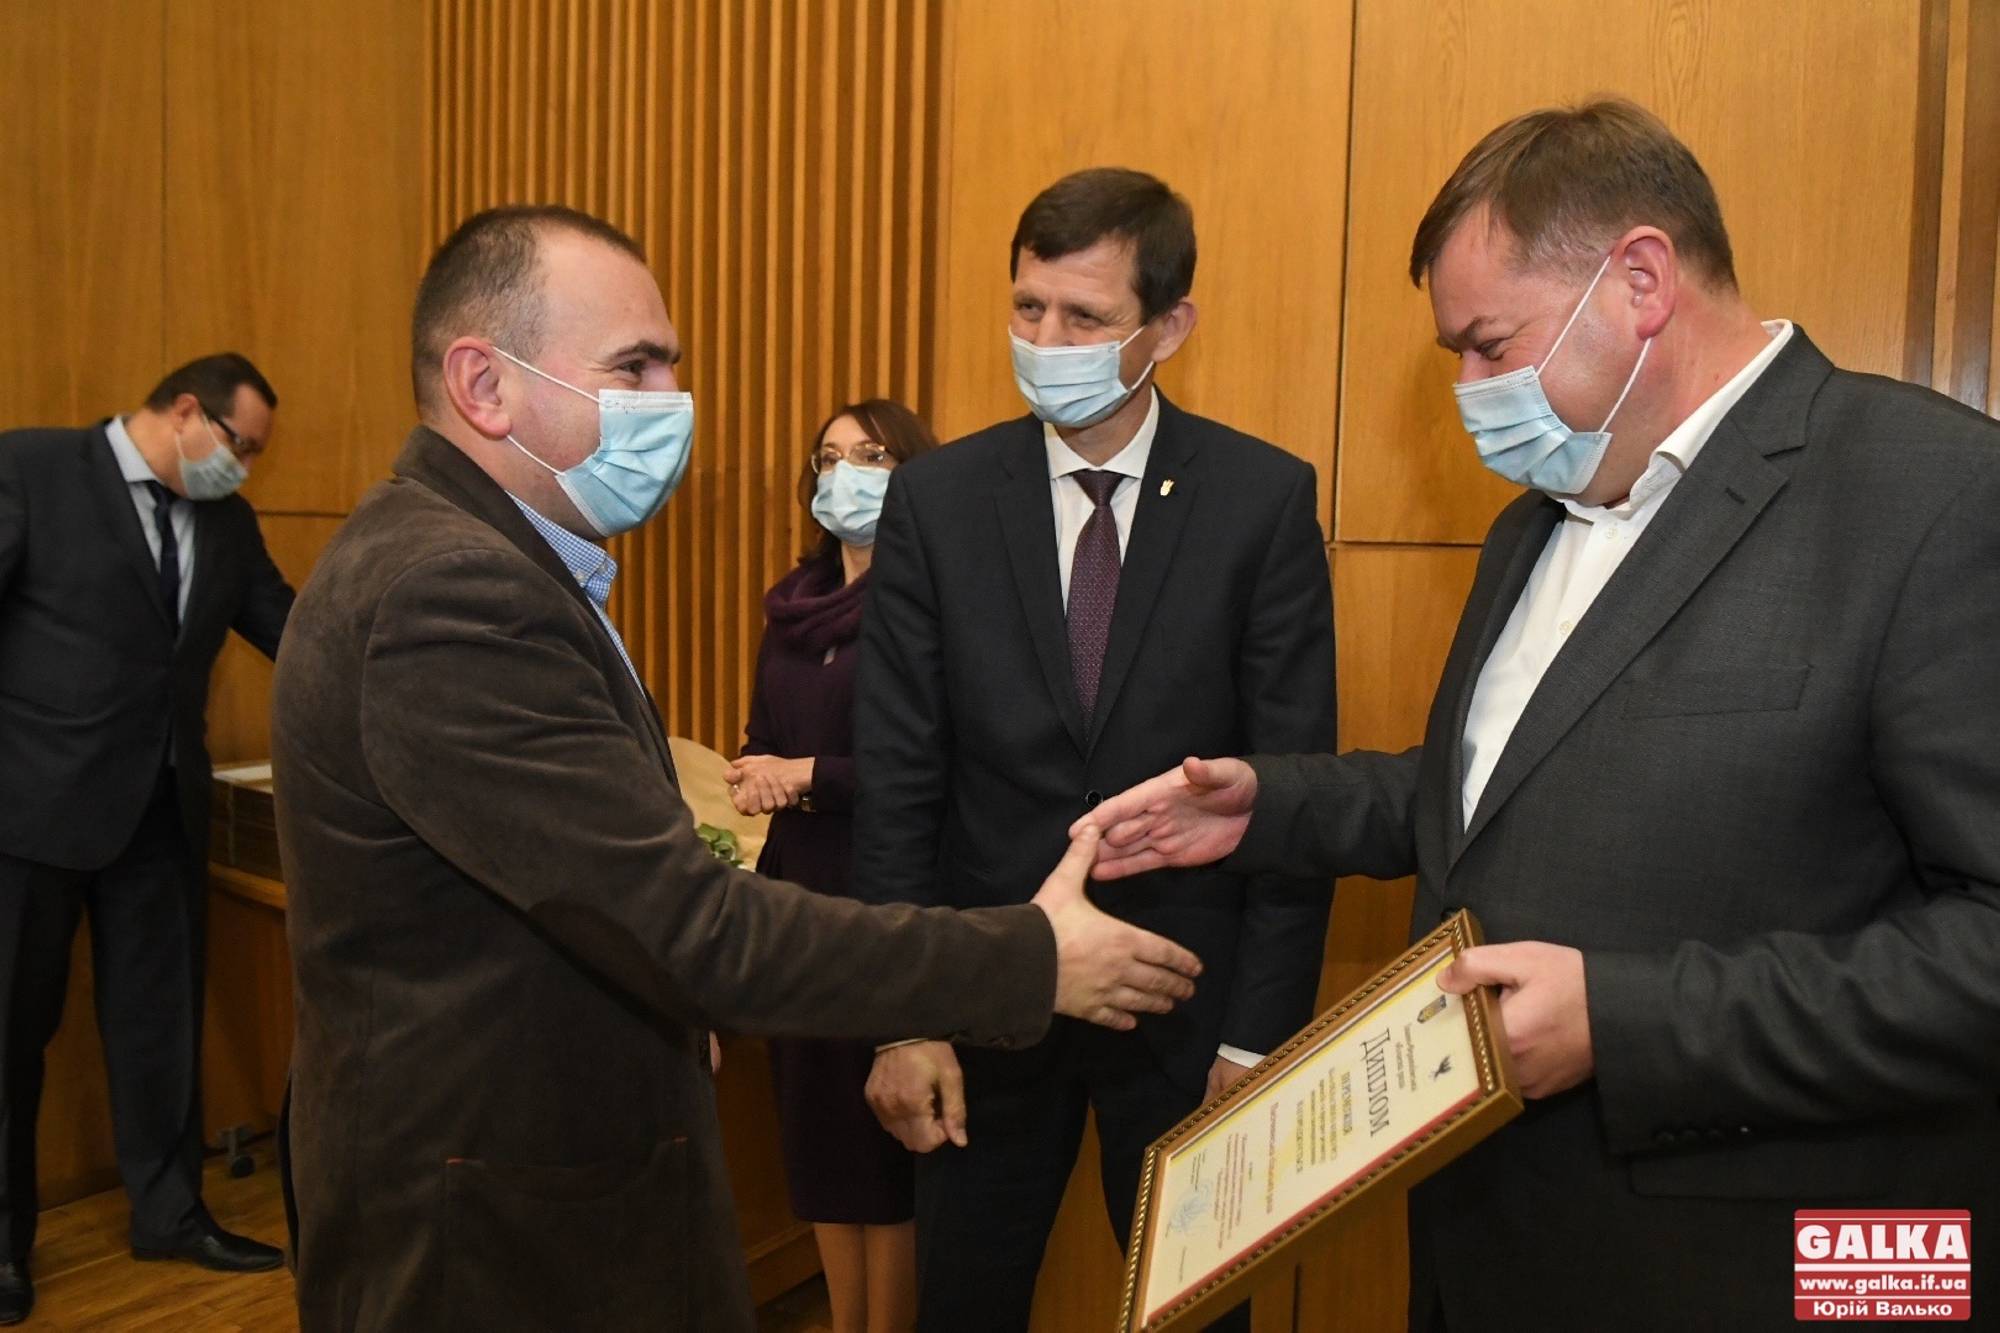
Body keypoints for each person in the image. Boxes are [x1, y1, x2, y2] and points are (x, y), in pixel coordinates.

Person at [1078, 99, 2000, 1332]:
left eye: (1487, 345)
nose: (1467, 392)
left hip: (1737, 1262)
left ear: (1639, 281)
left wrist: (1624, 1022)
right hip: (1487, 1237)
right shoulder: (1538, 518)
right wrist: (1271, 806)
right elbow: (1512, 788)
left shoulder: (1930, 497)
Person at [270, 204, 1202, 1333]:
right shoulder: (448, 593)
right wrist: (1030, 956)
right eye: (634, 367)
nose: (672, 399)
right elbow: (694, 928)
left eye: (670, 364)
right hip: (491, 1233)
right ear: (484, 384)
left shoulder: (488, 560)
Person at [854, 168, 1336, 1332]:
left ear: (1167, 327)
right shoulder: (935, 502)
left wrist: (1254, 1042)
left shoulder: (1260, 501)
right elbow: (900, 776)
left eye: (1085, 317)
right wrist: (902, 1014)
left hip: (1186, 1012)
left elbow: (1292, 791)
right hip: (984, 1001)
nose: (1046, 341)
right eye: (1028, 308)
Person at [0, 353, 294, 1324]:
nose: (244, 467)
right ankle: (2, 1245)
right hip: (28, 813)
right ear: (185, 410)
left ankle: (169, 1214)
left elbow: (294, 634)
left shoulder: (227, 522)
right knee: (9, 1033)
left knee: (160, 1027)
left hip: (161, 815)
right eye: (241, 445)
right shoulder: (33, 471)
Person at [724, 398, 936, 1333]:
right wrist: (756, 773)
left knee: (879, 1155)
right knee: (814, 1148)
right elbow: (762, 736)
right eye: (830, 456)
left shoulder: (927, 605)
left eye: (872, 455)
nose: (845, 473)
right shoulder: (793, 607)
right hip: (797, 894)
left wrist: (808, 775)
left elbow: (932, 768)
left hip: (883, 893)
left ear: (912, 473)